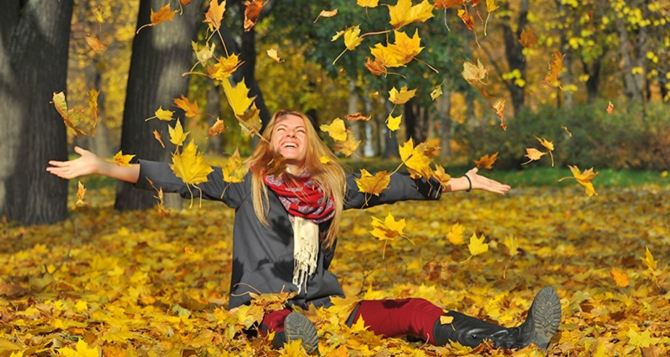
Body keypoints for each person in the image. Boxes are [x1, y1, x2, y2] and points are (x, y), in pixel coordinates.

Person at [47, 110, 561, 354]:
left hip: (324, 309)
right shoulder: (243, 184)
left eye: (299, 131)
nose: (290, 136)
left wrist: (464, 182)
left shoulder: (335, 186)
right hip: (259, 308)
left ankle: (514, 338)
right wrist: (101, 167)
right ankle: (297, 346)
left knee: (413, 310)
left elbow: (399, 187)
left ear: (311, 144)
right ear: (269, 142)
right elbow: (169, 175)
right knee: (277, 320)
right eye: (281, 130)